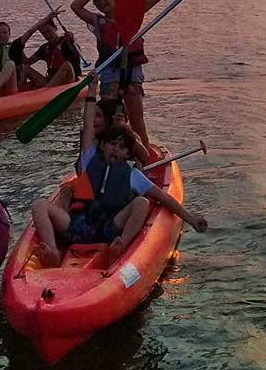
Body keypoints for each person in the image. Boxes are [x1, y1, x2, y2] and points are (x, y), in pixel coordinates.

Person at [30, 75, 206, 268]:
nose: (116, 149)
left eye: (122, 147)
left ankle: (122, 246)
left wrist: (190, 218)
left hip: (110, 230)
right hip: (79, 226)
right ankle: (53, 251)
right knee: (39, 205)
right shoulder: (89, 160)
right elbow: (88, 124)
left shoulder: (132, 174)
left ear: (128, 153)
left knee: (141, 202)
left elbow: (164, 198)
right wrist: (91, 91)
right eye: (112, 144)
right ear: (103, 145)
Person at [72, 0, 197, 147]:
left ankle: (143, 158)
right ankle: (107, 154)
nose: (102, 2)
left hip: (132, 71)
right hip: (109, 72)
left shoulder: (133, 14)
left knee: (136, 117)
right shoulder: (97, 21)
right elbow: (75, 6)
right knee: (109, 117)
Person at [23, 19, 81, 88]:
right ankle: (17, 94)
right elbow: (27, 62)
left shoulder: (66, 42)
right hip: (51, 82)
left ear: (55, 28)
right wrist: (19, 48)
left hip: (68, 80)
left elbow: (76, 55)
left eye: (49, 31)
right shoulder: (44, 48)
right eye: (44, 33)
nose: (47, 35)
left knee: (67, 65)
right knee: (24, 67)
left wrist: (71, 41)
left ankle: (45, 91)